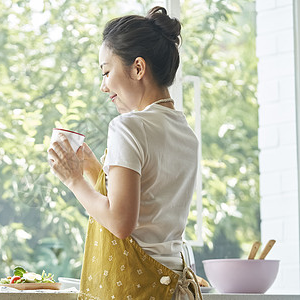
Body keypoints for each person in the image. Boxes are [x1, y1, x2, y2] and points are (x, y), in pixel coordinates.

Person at [47, 6, 202, 300]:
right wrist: (95, 170)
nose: (104, 86)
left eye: (106, 72)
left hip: (137, 287)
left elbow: (121, 222)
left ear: (138, 68)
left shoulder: (127, 127)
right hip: (173, 287)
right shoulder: (186, 133)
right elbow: (150, 205)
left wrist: (73, 180)